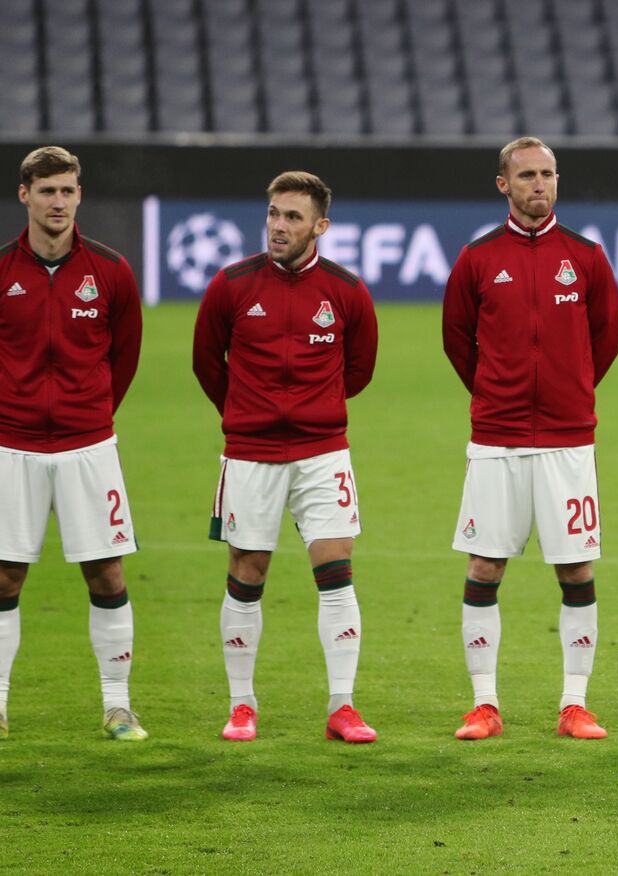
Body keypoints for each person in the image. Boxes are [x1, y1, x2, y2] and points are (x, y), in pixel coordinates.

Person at [0, 145, 146, 744]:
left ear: (79, 196)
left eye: (67, 191)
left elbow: (125, 357)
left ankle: (118, 707)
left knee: (107, 575)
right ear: (25, 196)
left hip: (89, 446)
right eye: (47, 191)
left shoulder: (111, 271)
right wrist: (13, 410)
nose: (58, 202)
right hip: (12, 447)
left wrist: (86, 411)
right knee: (1, 579)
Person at [442, 136, 618, 741]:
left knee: (575, 568)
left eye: (547, 174)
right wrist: (498, 393)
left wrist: (569, 391)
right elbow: (457, 341)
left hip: (570, 442)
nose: (539, 185)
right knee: (486, 565)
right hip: (497, 438)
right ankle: (484, 704)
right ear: (504, 184)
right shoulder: (477, 259)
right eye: (526, 176)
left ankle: (575, 703)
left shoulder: (588, 257)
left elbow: (606, 341)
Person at [193, 171, 379, 743]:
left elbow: (359, 370)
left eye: (293, 217)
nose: (279, 225)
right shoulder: (231, 285)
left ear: (320, 226)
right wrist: (251, 414)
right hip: (251, 454)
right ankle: (242, 705)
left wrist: (312, 411)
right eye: (274, 213)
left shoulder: (346, 291)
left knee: (336, 570)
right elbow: (207, 364)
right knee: (247, 573)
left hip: (323, 453)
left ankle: (342, 707)